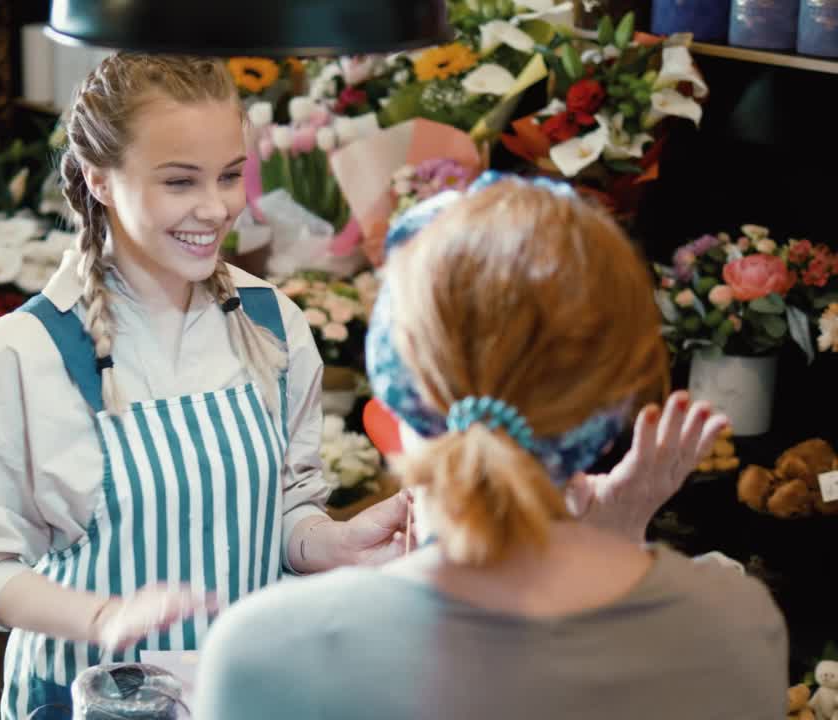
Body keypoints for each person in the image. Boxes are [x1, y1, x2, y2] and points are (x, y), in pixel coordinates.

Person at [0, 53, 416, 720]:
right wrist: (105, 616)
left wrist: (329, 544)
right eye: (180, 182)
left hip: (242, 694)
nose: (216, 208)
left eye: (231, 176)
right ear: (99, 178)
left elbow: (285, 506)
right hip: (80, 703)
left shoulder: (272, 324)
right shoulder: (16, 357)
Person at [193, 175, 788, 719]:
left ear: (396, 387)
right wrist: (618, 538)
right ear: (619, 397)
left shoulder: (268, 653)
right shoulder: (735, 625)